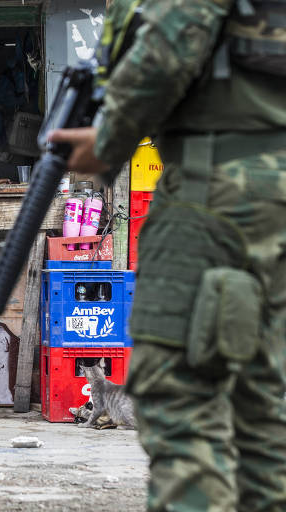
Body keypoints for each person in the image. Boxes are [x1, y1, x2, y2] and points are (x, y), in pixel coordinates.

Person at [48, 0, 286, 510]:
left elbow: (165, 52)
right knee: (268, 418)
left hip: (221, 201)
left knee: (184, 418)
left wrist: (108, 138)